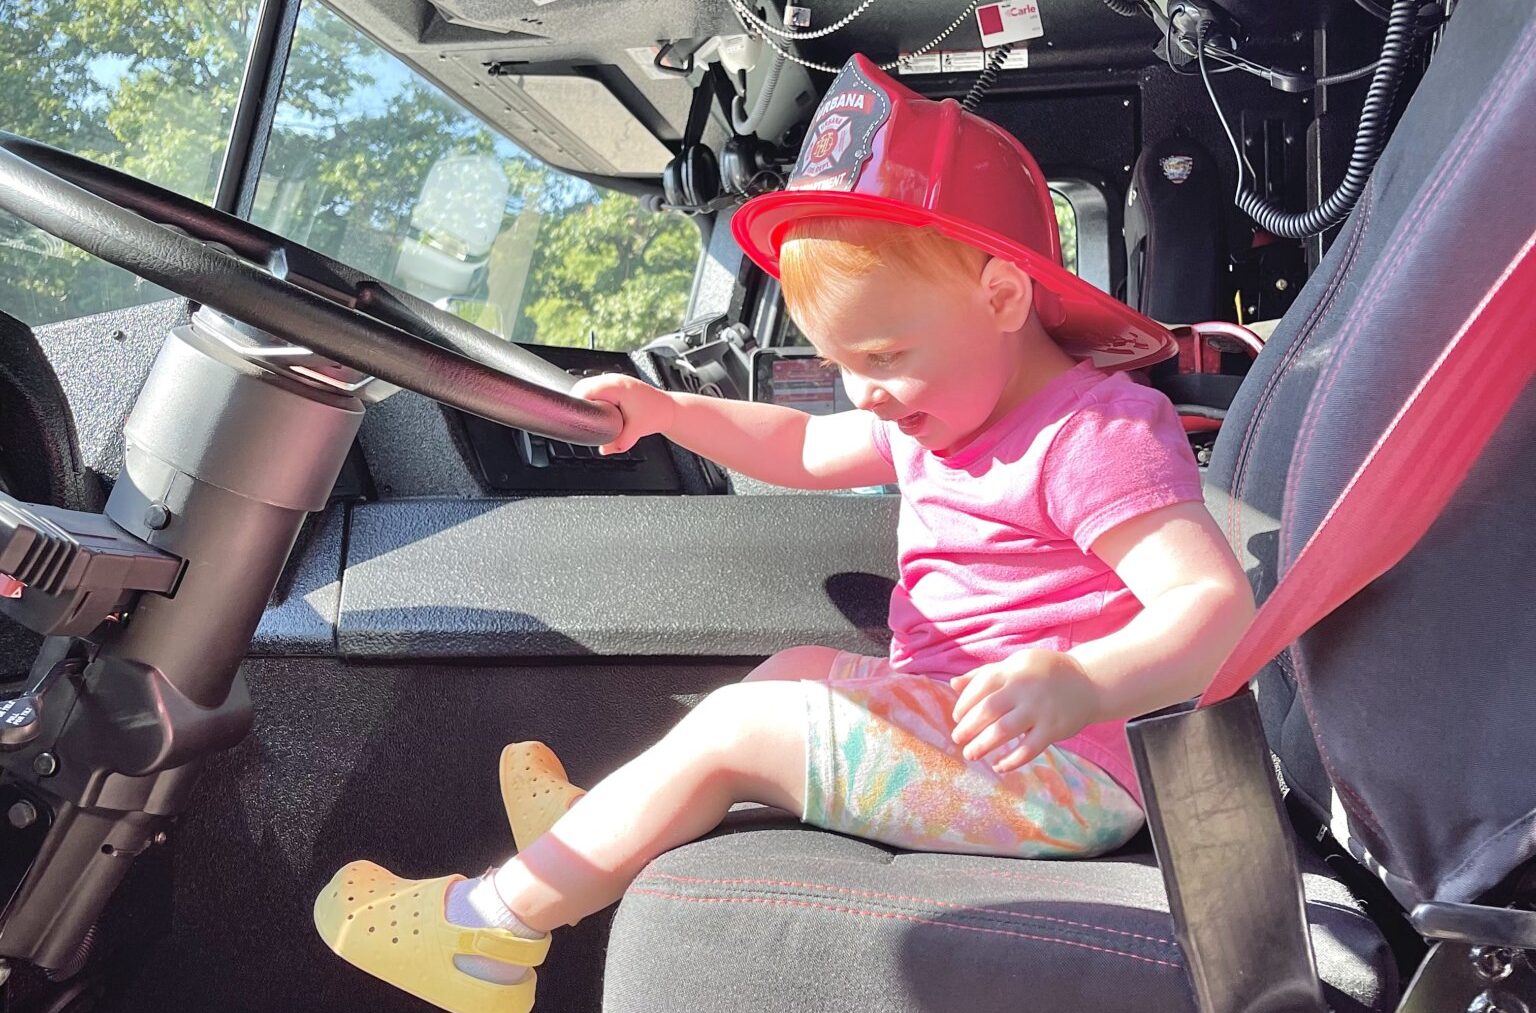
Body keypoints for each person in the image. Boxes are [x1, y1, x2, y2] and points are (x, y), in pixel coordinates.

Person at [312, 54, 1255, 1013]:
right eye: (842, 363)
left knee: (741, 726)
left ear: (1004, 297)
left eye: (883, 354)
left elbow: (1217, 609)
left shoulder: (1092, 435)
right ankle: (605, 826)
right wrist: (669, 412)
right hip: (970, 724)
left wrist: (1085, 679)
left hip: (1065, 773)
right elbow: (801, 445)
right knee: (793, 671)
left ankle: (488, 931)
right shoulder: (935, 409)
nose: (863, 392)